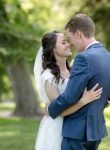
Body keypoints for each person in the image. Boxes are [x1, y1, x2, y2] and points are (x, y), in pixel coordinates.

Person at [48, 14, 110, 150]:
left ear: (78, 34)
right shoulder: (107, 56)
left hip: (77, 132)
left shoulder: (84, 58)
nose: (71, 43)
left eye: (70, 38)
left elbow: (70, 97)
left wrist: (50, 108)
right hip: (96, 131)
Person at [34, 31, 102, 150]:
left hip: (76, 126)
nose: (68, 44)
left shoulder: (74, 70)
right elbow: (60, 112)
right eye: (63, 42)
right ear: (53, 49)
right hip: (57, 128)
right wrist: (84, 100)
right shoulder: (48, 77)